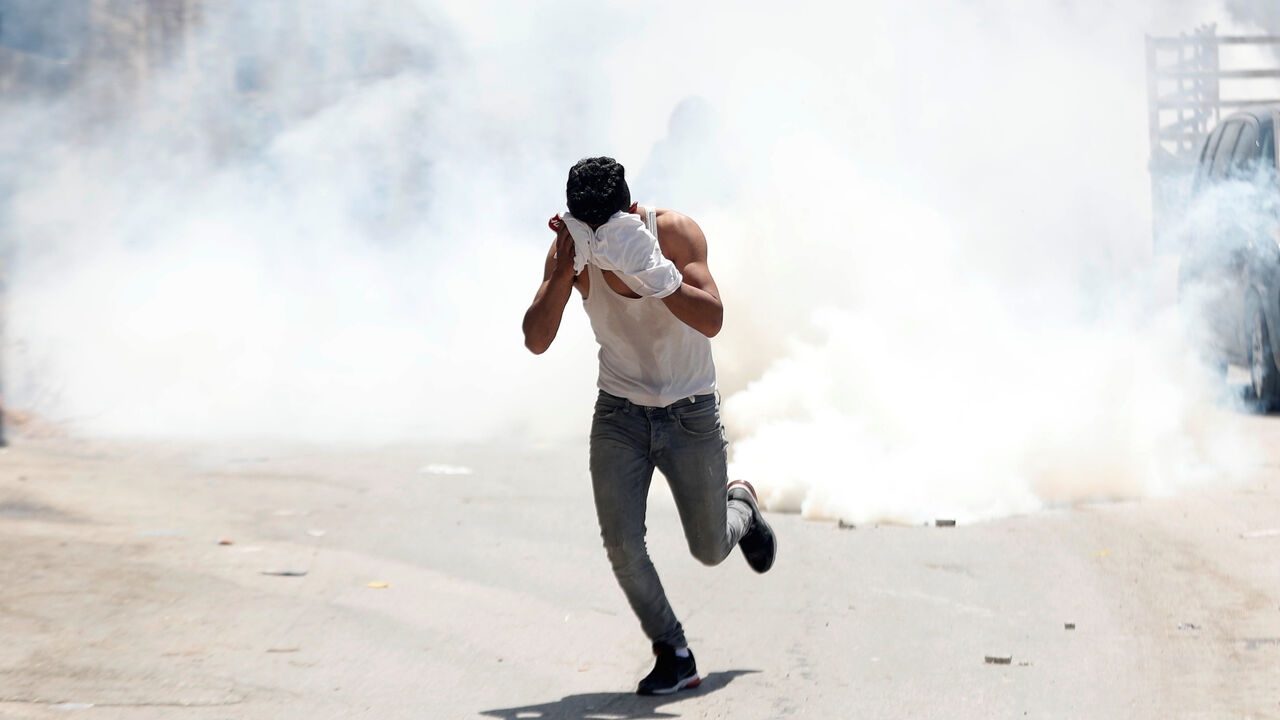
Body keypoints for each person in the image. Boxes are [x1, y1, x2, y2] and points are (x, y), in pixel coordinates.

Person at [521, 156, 777, 695]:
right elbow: (535, 339)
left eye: (606, 230)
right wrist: (563, 274)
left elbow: (712, 319)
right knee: (622, 544)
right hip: (619, 412)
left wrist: (654, 272)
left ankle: (742, 507)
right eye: (586, 230)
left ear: (631, 212)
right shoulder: (572, 250)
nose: (598, 242)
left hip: (689, 411)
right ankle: (674, 651)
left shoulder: (675, 235)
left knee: (709, 548)